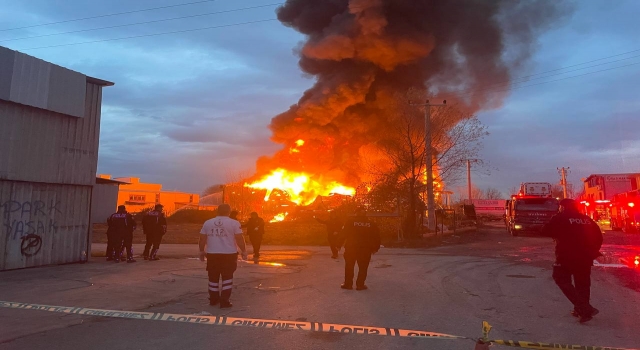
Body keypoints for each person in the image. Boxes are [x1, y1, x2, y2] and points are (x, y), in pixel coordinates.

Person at [541, 198, 603, 323]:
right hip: (585, 258)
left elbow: (545, 231)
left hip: (566, 256)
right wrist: (592, 252)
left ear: (563, 207)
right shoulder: (586, 219)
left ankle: (584, 308)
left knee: (561, 279)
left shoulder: (560, 218)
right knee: (583, 284)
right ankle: (581, 310)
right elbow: (598, 237)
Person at [199, 204, 248, 308]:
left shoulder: (208, 223)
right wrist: (243, 250)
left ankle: (213, 299)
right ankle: (224, 301)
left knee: (213, 277)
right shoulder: (234, 223)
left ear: (217, 211)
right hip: (229, 254)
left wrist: (201, 251)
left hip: (212, 254)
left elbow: (202, 238)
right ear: (229, 211)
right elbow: (239, 238)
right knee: (227, 277)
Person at [339, 207, 381, 291]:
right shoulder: (371, 223)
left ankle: (348, 284)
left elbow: (344, 233)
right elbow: (376, 237)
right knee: (363, 267)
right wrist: (375, 248)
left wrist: (338, 244)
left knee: (349, 266)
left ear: (356, 213)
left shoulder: (350, 222)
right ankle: (360, 285)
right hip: (365, 249)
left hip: (351, 248)